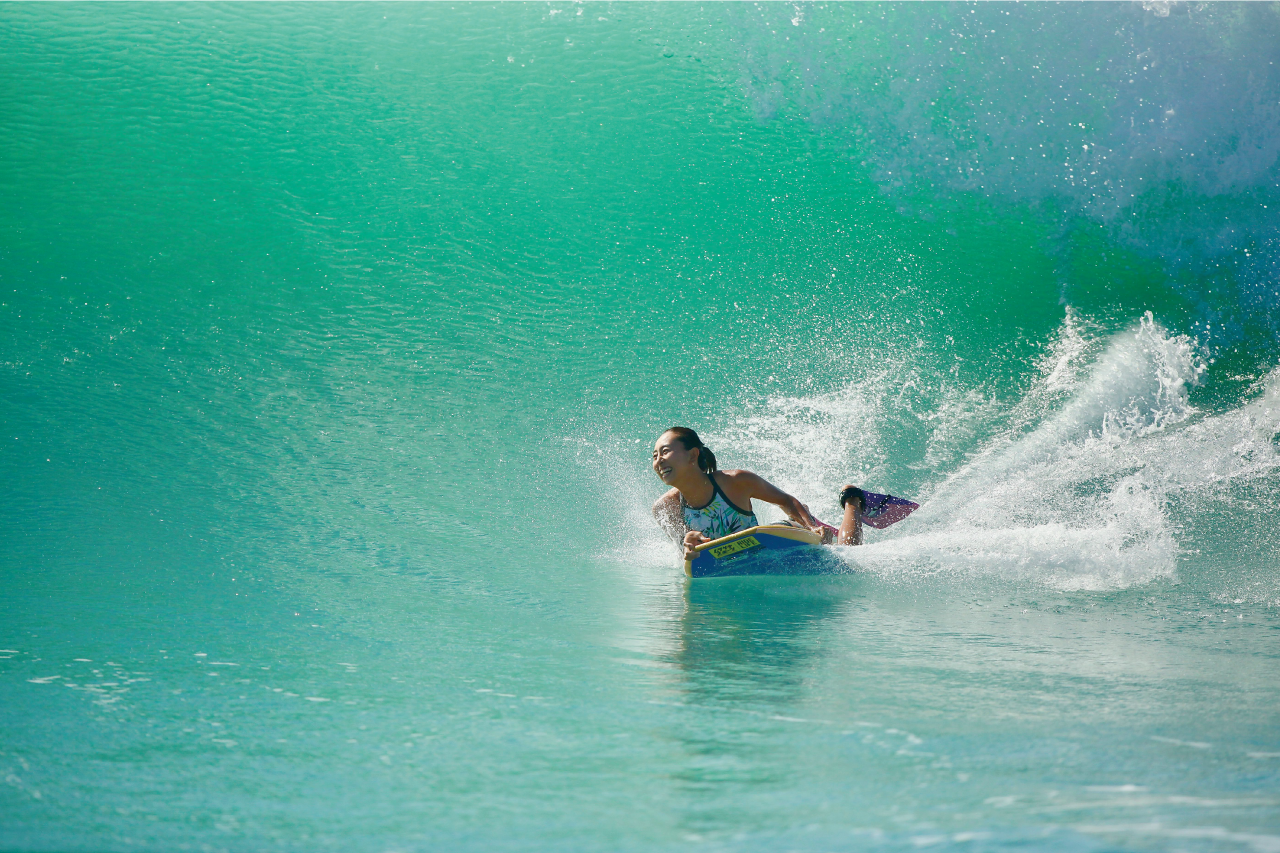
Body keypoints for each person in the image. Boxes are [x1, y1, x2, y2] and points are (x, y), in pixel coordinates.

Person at [651, 426, 865, 562]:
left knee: (846, 556)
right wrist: (688, 544)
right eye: (654, 456)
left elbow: (786, 500)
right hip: (734, 558)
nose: (658, 460)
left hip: (775, 538)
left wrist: (811, 527)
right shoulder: (665, 507)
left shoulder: (735, 481)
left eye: (665, 451)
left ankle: (852, 500)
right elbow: (685, 553)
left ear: (693, 455)